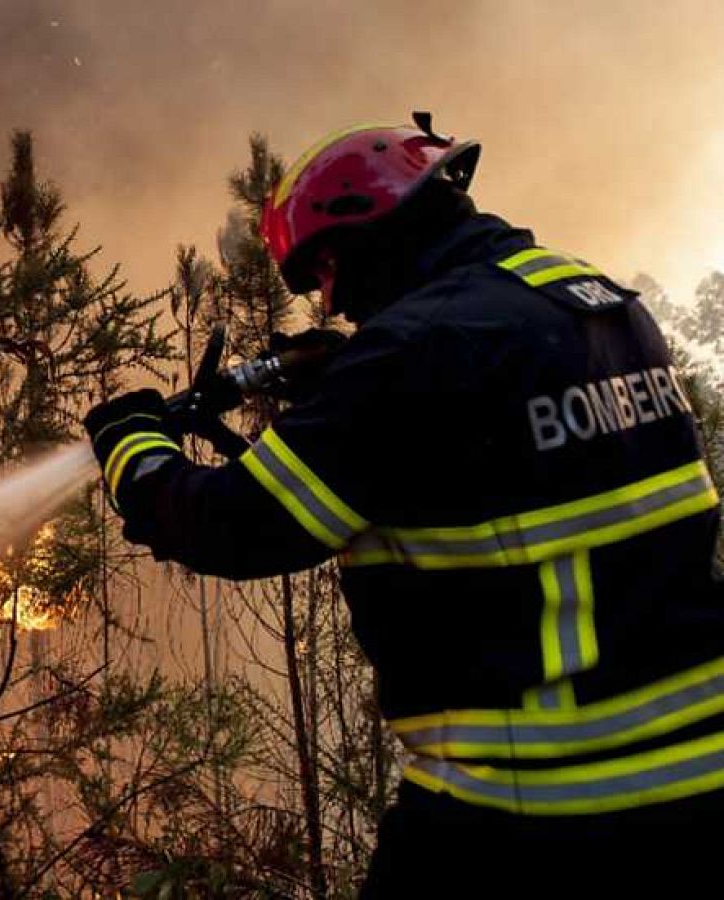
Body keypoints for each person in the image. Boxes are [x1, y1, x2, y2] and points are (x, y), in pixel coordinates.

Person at [84, 115, 724, 896]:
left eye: (321, 275)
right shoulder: (596, 302)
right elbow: (502, 448)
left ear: (358, 236)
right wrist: (351, 389)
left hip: (537, 806)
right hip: (700, 785)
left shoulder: (417, 351)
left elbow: (236, 526)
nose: (333, 303)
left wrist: (134, 449)